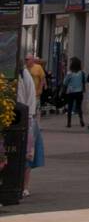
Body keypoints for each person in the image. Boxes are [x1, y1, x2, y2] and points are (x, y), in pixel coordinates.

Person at [16, 61, 44, 198]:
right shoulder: (23, 73)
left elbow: (29, 97)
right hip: (24, 117)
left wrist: (29, 117)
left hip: (25, 117)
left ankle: (24, 186)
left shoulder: (23, 74)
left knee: (26, 154)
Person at [63, 57, 86, 127]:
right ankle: (81, 119)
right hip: (79, 91)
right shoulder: (82, 73)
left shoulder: (70, 73)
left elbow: (65, 82)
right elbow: (84, 81)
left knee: (70, 107)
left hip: (71, 92)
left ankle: (69, 122)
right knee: (79, 106)